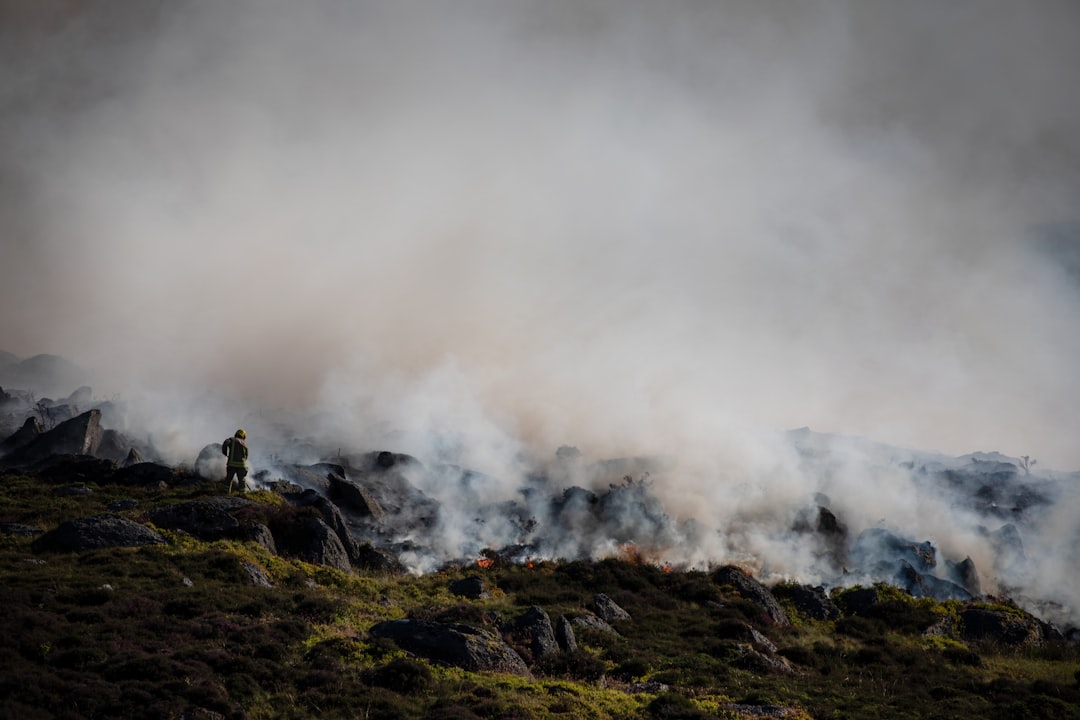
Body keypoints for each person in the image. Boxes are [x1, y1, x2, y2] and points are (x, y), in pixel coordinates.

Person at [222, 428, 249, 494]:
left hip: (232, 464)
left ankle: (225, 492)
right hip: (242, 465)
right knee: (241, 480)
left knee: (228, 479)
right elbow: (246, 456)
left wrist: (225, 453)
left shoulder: (232, 439)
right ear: (243, 436)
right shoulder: (245, 444)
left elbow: (225, 444)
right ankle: (243, 494)